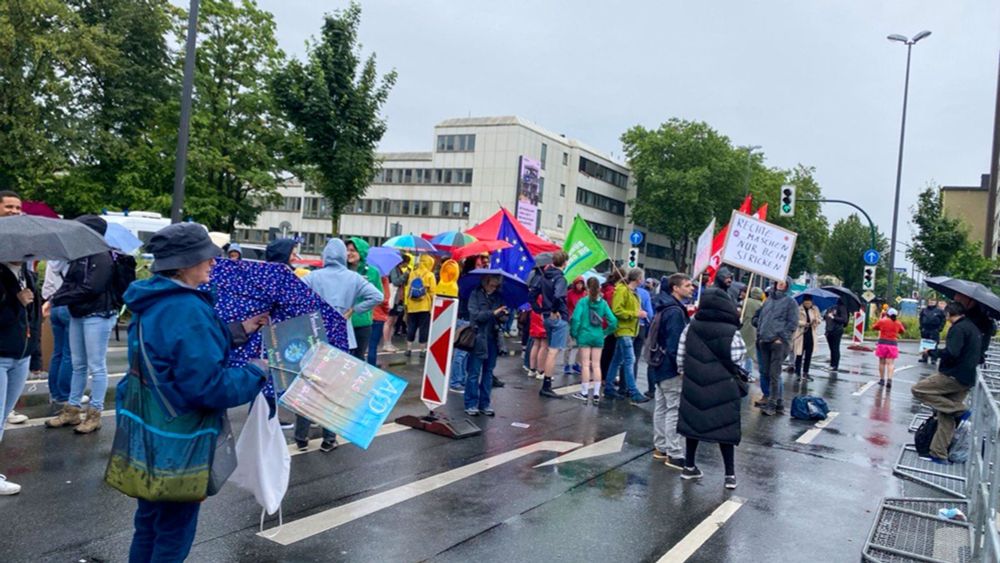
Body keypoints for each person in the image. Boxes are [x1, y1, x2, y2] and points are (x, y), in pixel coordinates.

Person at [119, 223, 268, 561]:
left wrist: (240, 330)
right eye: (206, 257)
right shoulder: (188, 309)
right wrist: (256, 371)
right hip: (180, 437)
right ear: (184, 264)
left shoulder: (153, 297)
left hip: (149, 428)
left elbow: (173, 352)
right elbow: (208, 387)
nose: (213, 263)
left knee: (149, 521)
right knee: (174, 530)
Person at [300, 239, 382, 452]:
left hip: (316, 331)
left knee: (308, 382)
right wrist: (354, 309)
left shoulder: (313, 276)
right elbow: (378, 296)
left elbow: (297, 298)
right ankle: (329, 439)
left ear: (325, 256)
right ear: (343, 256)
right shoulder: (353, 278)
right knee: (334, 386)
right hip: (342, 334)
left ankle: (301, 437)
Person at [46, 216, 120, 434]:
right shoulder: (81, 255)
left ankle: (94, 412)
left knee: (96, 366)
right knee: (79, 364)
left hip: (98, 313)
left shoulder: (102, 255)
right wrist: (52, 299)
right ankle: (72, 409)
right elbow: (69, 282)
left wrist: (57, 300)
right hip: (79, 313)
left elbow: (92, 287)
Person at [676, 288, 746, 489]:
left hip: (694, 381)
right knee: (725, 429)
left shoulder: (692, 326)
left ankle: (689, 467)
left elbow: (681, 353)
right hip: (724, 385)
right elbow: (738, 357)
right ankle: (729, 475)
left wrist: (683, 370)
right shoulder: (732, 330)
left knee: (693, 426)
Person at [0, 206, 40, 494]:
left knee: (3, 417)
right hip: (1, 354)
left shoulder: (27, 273)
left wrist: (34, 351)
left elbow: (33, 318)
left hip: (20, 355)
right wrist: (16, 301)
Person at [913, 302, 982, 462]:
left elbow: (952, 352)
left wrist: (932, 352)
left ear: (949, 314)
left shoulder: (958, 328)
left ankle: (960, 410)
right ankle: (939, 453)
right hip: (967, 377)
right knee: (946, 415)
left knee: (918, 389)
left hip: (953, 376)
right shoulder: (972, 328)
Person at [649, 273, 694, 469]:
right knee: (674, 409)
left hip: (658, 363)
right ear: (675, 288)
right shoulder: (675, 311)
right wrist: (681, 367)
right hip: (671, 366)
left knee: (661, 407)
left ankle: (661, 447)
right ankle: (674, 453)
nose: (692, 288)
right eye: (687, 285)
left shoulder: (663, 306)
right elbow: (675, 343)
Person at [603, 267, 652, 404]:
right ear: (638, 279)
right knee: (630, 360)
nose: (643, 280)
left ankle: (609, 387)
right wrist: (636, 314)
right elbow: (617, 310)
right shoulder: (623, 290)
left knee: (617, 360)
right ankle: (633, 391)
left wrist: (637, 312)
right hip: (624, 330)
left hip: (629, 330)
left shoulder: (632, 292)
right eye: (642, 277)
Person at [570, 277, 617, 404]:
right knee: (596, 365)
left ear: (587, 288)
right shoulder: (603, 303)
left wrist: (574, 333)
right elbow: (613, 321)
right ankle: (596, 393)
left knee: (585, 364)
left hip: (584, 335)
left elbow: (575, 319)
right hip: (598, 336)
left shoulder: (583, 302)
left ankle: (584, 392)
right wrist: (605, 333)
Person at [464, 274, 506, 416]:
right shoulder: (475, 295)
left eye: (496, 286)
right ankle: (470, 403)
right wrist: (493, 313)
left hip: (492, 338)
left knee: (488, 373)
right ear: (485, 282)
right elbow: (476, 316)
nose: (494, 288)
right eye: (492, 285)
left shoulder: (498, 297)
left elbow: (503, 318)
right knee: (474, 372)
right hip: (478, 338)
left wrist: (503, 315)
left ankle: (485, 403)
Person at [757, 278, 798, 416]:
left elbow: (792, 323)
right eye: (778, 282)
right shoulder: (768, 300)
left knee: (774, 374)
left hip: (778, 343)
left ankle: (772, 404)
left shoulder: (790, 302)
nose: (780, 284)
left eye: (783, 282)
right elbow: (761, 317)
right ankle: (778, 403)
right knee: (766, 372)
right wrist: (759, 333)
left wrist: (781, 338)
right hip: (764, 341)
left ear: (787, 286)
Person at [41, 260, 73, 415]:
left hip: (55, 306)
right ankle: (65, 393)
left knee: (57, 352)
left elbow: (45, 291)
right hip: (70, 307)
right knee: (69, 353)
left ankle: (54, 392)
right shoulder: (73, 261)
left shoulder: (51, 261)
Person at [538, 251, 570, 399]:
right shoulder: (561, 278)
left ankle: (546, 381)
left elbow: (533, 293)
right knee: (553, 351)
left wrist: (539, 309)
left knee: (549, 348)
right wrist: (555, 310)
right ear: (564, 263)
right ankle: (547, 385)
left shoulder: (545, 276)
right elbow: (558, 295)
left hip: (546, 315)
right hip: (557, 316)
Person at [344, 238, 382, 362]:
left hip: (361, 323)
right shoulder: (342, 270)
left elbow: (379, 296)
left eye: (353, 250)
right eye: (347, 250)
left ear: (362, 252)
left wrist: (357, 309)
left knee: (358, 359)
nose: (349, 253)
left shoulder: (372, 272)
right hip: (342, 321)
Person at [403, 254, 437, 358]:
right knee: (423, 328)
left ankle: (408, 349)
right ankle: (422, 350)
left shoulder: (412, 273)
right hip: (424, 307)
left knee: (411, 327)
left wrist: (406, 304)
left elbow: (408, 290)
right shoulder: (430, 275)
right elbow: (433, 292)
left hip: (412, 306)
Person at [872, 308, 905, 388]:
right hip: (893, 344)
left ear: (887, 314)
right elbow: (902, 331)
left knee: (882, 362)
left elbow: (874, 327)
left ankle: (882, 380)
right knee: (890, 363)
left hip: (882, 343)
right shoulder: (898, 323)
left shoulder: (883, 321)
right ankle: (889, 379)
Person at [383, 260, 409, 352]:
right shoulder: (394, 269)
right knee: (389, 321)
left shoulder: (398, 269)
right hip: (393, 298)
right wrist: (405, 275)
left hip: (398, 299)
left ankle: (389, 343)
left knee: (393, 321)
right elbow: (395, 282)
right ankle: (386, 343)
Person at [563, 276, 587, 376]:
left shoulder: (585, 295)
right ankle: (566, 364)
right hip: (571, 320)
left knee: (581, 344)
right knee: (569, 344)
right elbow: (566, 306)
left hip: (581, 321)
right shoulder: (569, 294)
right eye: (578, 283)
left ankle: (577, 363)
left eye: (581, 284)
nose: (579, 286)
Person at [635, 278, 656, 396]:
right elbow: (650, 313)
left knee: (625, 359)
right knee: (635, 358)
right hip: (642, 326)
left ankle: (625, 386)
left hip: (628, 327)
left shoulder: (630, 291)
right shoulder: (645, 294)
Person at [793, 296, 821, 382]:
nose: (808, 304)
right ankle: (798, 373)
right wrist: (804, 323)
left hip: (811, 335)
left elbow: (819, 319)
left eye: (809, 303)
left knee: (808, 355)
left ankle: (806, 372)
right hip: (801, 334)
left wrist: (816, 321)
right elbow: (795, 320)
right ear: (803, 302)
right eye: (806, 303)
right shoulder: (798, 309)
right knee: (799, 355)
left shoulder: (815, 309)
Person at [740, 287, 763, 377]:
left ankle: (740, 368)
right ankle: (748, 371)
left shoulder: (746, 301)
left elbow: (741, 313)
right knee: (750, 350)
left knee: (742, 348)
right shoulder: (761, 304)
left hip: (744, 326)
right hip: (754, 328)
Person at [824, 298, 850, 371]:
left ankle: (835, 365)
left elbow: (844, 319)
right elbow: (825, 316)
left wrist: (833, 317)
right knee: (831, 348)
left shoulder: (842, 307)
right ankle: (832, 364)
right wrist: (826, 316)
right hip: (829, 330)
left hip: (837, 330)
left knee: (835, 348)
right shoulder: (830, 306)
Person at [919, 299, 947, 364]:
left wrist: (940, 328)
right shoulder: (924, 310)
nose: (931, 302)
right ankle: (924, 357)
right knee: (925, 344)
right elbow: (920, 318)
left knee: (934, 344)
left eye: (933, 301)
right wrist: (921, 327)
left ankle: (933, 358)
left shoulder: (939, 311)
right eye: (930, 301)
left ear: (935, 302)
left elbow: (943, 320)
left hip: (934, 329)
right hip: (925, 329)